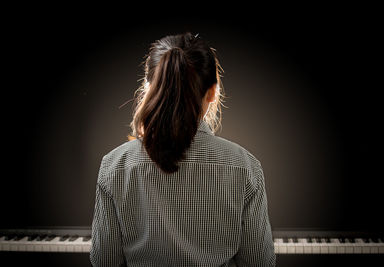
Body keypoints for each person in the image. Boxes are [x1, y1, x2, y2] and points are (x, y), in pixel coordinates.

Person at [90, 32, 276, 266]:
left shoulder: (114, 165)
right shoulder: (245, 167)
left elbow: (104, 261)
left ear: (148, 87)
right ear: (213, 91)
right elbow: (259, 263)